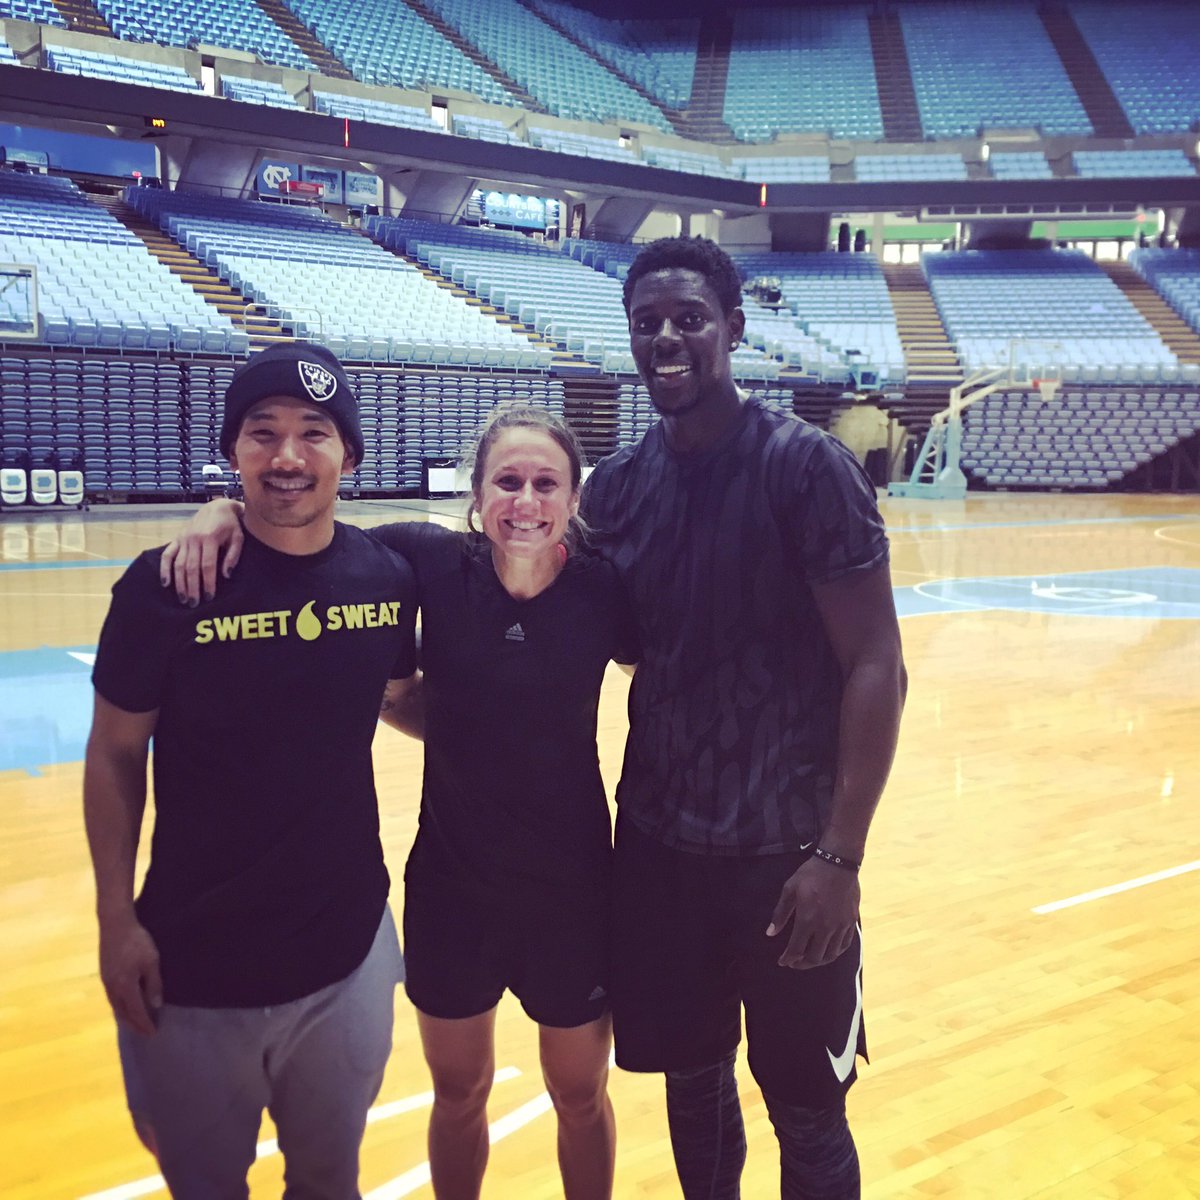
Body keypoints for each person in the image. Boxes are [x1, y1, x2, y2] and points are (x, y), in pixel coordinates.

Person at [161, 404, 638, 1200]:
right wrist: (224, 511)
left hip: (574, 894)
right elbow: (307, 536)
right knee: (459, 1093)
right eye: (507, 482)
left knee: (581, 1094)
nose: (525, 501)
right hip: (453, 890)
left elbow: (668, 676)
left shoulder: (605, 590)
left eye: (545, 483)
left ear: (573, 497)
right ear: (476, 495)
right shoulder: (427, 561)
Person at [578, 236, 907, 1200]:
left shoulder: (806, 470)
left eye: (688, 318)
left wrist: (840, 855)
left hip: (789, 857)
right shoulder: (617, 488)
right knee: (692, 1084)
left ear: (732, 327)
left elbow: (877, 664)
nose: (666, 338)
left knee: (807, 1110)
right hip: (659, 852)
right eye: (646, 322)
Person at [83, 341, 420, 1197]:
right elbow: (115, 753)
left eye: (314, 432)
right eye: (262, 432)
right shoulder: (166, 589)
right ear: (233, 452)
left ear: (349, 456)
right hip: (194, 967)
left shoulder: (386, 579)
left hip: (347, 954)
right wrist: (115, 920)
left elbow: (395, 697)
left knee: (329, 1180)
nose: (287, 455)